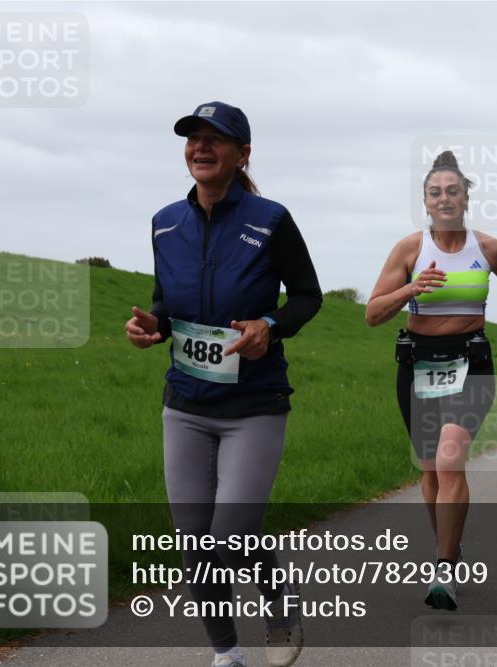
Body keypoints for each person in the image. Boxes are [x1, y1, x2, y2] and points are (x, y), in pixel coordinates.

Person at [125, 101, 322, 667]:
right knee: (194, 546)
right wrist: (152, 328)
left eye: (217, 139)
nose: (201, 148)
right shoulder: (165, 222)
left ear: (243, 154)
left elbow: (307, 297)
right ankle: (226, 654)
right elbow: (168, 306)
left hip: (254, 404)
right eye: (193, 138)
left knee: (230, 536)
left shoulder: (271, 219)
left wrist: (270, 326)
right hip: (185, 403)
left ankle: (279, 604)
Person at [365, 150, 497, 611]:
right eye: (435, 192)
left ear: (466, 198)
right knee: (430, 471)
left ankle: (442, 572)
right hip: (417, 366)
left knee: (450, 459)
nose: (444, 198)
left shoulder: (490, 248)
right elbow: (373, 314)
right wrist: (409, 288)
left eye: (452, 191)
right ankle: (449, 550)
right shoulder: (410, 249)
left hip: (470, 363)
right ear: (425, 200)